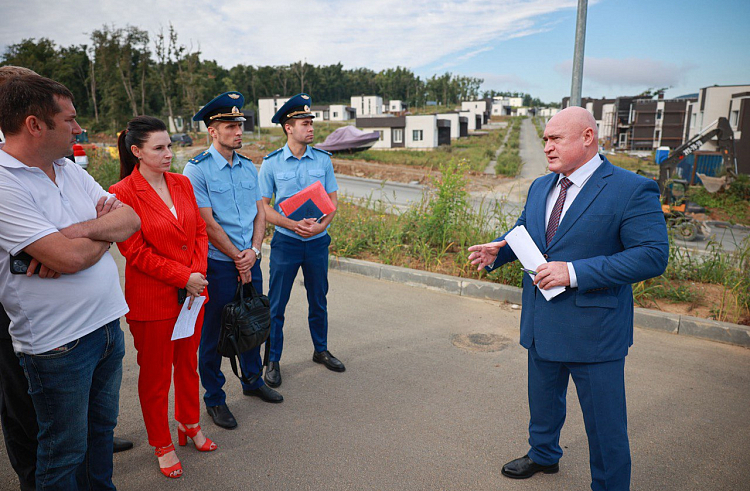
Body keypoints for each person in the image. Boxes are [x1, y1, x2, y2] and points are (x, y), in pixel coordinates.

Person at [468, 106, 669, 491]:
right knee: (542, 402)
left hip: (595, 332)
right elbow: (528, 228)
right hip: (542, 323)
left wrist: (573, 273)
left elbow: (651, 255)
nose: (546, 146)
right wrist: (502, 249)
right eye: (544, 139)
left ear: (587, 137)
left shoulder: (630, 188)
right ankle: (543, 455)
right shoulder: (542, 185)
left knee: (605, 425)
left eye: (555, 138)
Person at [0, 75, 140, 490]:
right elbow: (70, 257)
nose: (79, 128)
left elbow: (130, 219)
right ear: (34, 125)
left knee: (99, 437)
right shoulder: (4, 182)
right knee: (62, 455)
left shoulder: (66, 167)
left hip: (106, 329)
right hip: (58, 346)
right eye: (71, 120)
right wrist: (97, 234)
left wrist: (71, 235)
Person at [109, 116, 216, 479]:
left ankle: (189, 423)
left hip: (191, 296)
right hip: (153, 301)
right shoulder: (121, 193)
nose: (169, 153)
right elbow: (135, 252)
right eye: (159, 148)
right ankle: (162, 443)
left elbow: (199, 232)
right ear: (136, 151)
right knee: (156, 378)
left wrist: (196, 276)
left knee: (188, 365)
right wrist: (184, 276)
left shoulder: (182, 183)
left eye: (170, 146)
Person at [184, 91, 283, 431]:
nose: (238, 131)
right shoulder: (196, 169)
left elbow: (259, 212)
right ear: (212, 130)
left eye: (240, 124)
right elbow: (206, 223)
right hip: (218, 265)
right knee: (213, 333)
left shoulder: (247, 166)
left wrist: (254, 251)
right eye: (230, 125)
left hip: (249, 259)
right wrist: (237, 258)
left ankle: (253, 380)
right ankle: (214, 398)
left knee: (251, 321)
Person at [259, 93, 345, 389]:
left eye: (311, 123)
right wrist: (292, 224)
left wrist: (320, 227)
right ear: (288, 127)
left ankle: (320, 350)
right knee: (277, 305)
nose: (310, 128)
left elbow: (332, 199)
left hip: (317, 242)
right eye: (304, 123)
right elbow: (263, 207)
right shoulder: (271, 163)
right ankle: (272, 359)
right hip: (286, 242)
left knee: (318, 299)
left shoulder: (322, 160)